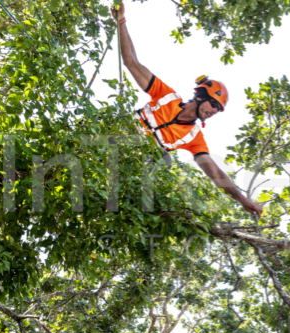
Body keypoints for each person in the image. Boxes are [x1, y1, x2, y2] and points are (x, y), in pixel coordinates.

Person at [111, 2, 263, 219]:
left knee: (166, 161)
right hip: (117, 135)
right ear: (201, 96)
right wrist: (121, 21)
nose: (214, 111)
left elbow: (215, 173)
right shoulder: (166, 96)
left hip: (136, 160)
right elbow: (132, 63)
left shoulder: (194, 138)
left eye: (219, 110)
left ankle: (131, 204)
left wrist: (242, 200)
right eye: (214, 104)